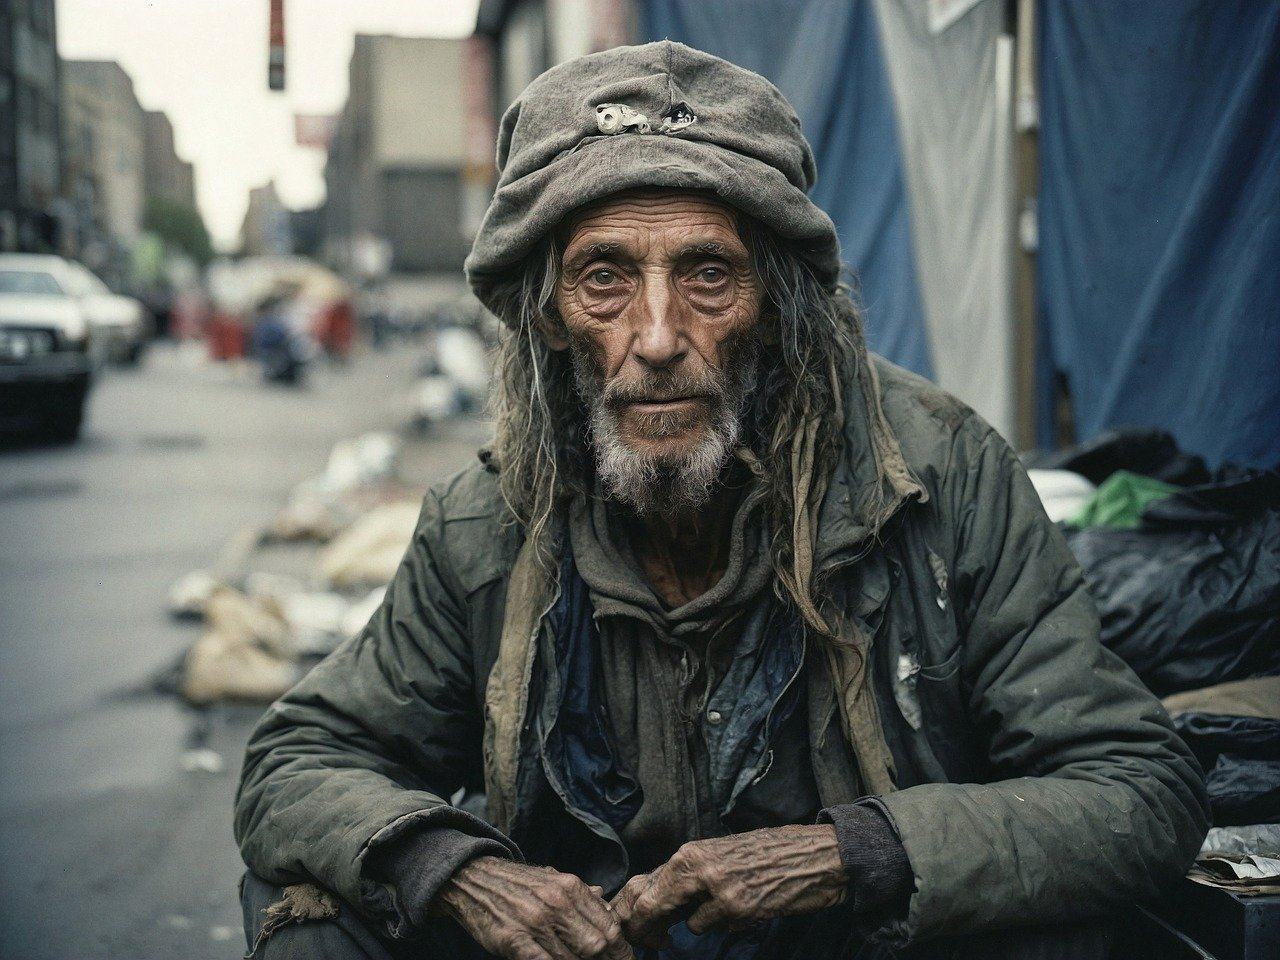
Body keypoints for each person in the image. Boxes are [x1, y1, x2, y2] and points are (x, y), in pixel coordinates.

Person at [234, 42, 1208, 960]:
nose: (656, 337)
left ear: (777, 304)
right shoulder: (482, 526)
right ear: (550, 319)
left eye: (706, 274)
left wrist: (846, 855)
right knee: (313, 913)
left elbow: (1137, 792)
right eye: (604, 278)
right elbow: (297, 762)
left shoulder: (941, 479)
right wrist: (459, 872)